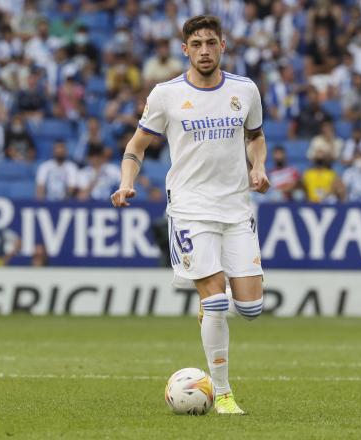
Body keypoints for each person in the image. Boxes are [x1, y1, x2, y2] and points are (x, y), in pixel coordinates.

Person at [111, 15, 269, 415]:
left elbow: (256, 135)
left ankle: (209, 304)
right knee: (216, 300)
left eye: (210, 43)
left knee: (251, 308)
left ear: (222, 46)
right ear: (185, 49)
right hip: (190, 207)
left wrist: (258, 167)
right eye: (196, 44)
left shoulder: (244, 90)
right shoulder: (166, 94)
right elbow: (138, 143)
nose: (203, 50)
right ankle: (224, 392)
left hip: (235, 206)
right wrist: (127, 180)